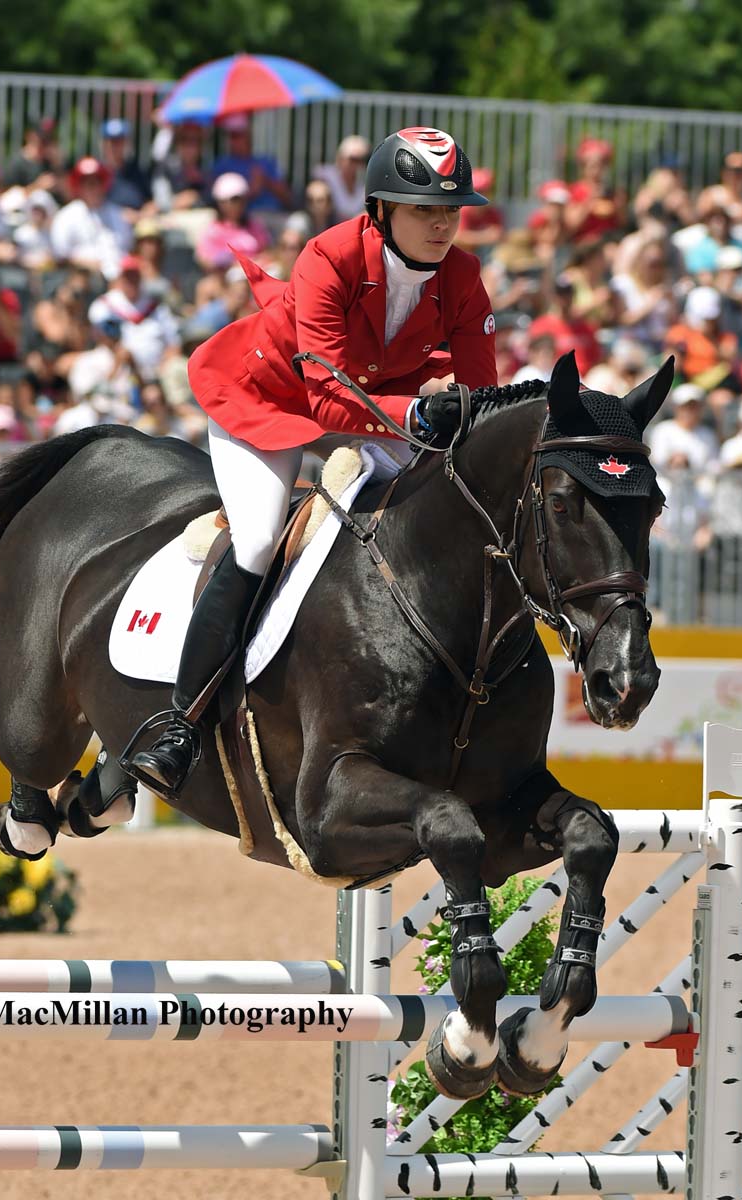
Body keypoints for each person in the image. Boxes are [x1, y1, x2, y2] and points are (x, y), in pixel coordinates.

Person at [126, 126, 497, 797]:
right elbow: (327, 400)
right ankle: (178, 726)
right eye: (423, 209)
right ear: (380, 210)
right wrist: (418, 413)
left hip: (374, 406)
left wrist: (464, 412)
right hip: (266, 400)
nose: (441, 224)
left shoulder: (465, 278)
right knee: (261, 540)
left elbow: (478, 392)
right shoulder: (328, 256)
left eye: (450, 210)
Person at [87, 254, 180, 378]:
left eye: (134, 276)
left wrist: (164, 367)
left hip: (155, 372)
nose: (131, 281)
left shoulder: (156, 308)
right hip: (116, 368)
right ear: (119, 278)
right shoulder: (103, 306)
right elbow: (99, 338)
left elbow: (173, 344)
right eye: (127, 276)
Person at [50, 156, 132, 278]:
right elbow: (61, 256)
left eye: (96, 182)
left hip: (117, 278)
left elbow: (126, 246)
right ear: (79, 186)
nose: (92, 188)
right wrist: (85, 263)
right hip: (81, 277)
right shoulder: (66, 216)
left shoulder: (117, 213)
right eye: (87, 183)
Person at [209, 114, 292, 213]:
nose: (233, 141)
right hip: (245, 219)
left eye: (237, 136)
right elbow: (215, 199)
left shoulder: (266, 162)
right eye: (231, 136)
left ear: (249, 135)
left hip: (273, 214)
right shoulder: (222, 165)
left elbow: (288, 198)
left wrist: (265, 181)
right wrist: (249, 191)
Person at [195, 173, 272, 271]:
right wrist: (225, 264)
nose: (238, 204)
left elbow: (267, 252)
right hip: (226, 279)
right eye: (234, 200)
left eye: (241, 199)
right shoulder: (213, 230)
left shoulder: (255, 226)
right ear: (221, 203)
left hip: (255, 275)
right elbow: (205, 260)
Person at [647, 383, 718, 471]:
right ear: (675, 408)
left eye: (693, 407)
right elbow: (656, 461)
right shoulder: (662, 430)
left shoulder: (708, 434)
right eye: (684, 407)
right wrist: (673, 459)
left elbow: (713, 465)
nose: (689, 412)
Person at [98, 118, 151, 216]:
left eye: (119, 141)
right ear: (104, 144)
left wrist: (142, 214)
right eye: (112, 142)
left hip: (138, 225)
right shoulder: (97, 173)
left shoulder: (137, 171)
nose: (115, 147)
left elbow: (150, 201)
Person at [313, 135, 370, 221]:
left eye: (362, 159)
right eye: (353, 159)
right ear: (340, 158)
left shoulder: (366, 182)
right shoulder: (325, 176)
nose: (357, 164)